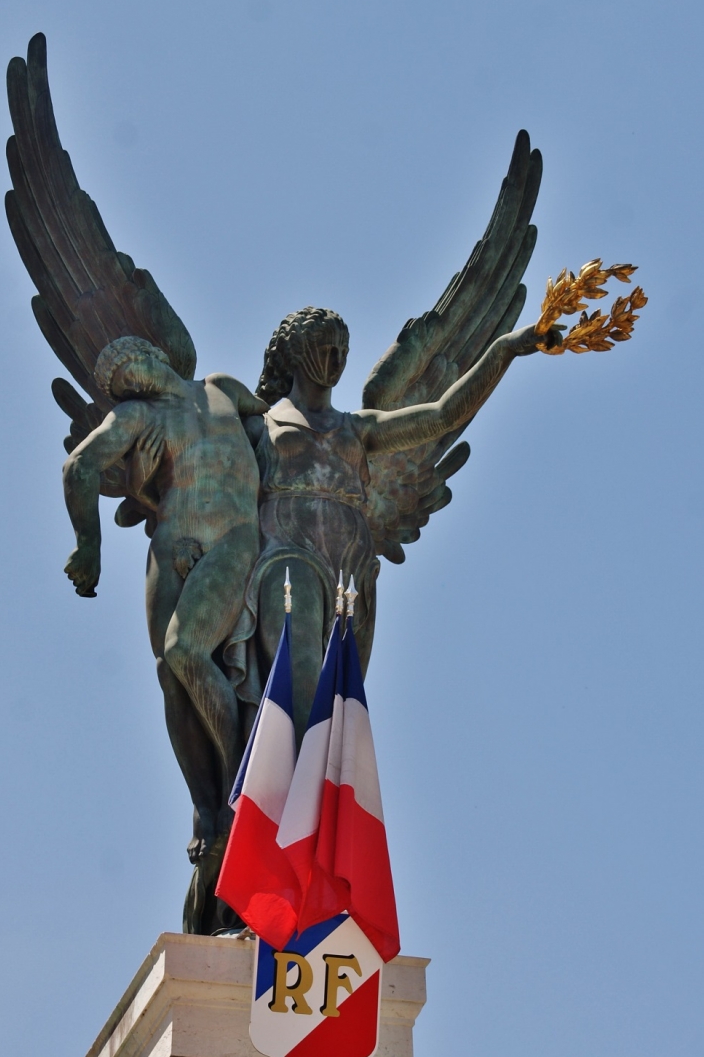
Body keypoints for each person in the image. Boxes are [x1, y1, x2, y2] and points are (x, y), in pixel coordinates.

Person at [233, 306, 554, 746]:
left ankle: (322, 799)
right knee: (302, 673)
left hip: (351, 567)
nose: (335, 359)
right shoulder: (257, 425)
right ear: (294, 352)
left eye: (342, 349)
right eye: (322, 348)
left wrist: (503, 351)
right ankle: (293, 795)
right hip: (286, 551)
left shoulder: (358, 428)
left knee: (339, 702)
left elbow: (442, 415)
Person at [62, 335, 266, 863]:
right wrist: (91, 545)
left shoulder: (222, 389)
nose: (130, 382)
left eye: (130, 368)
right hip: (173, 542)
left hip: (233, 538)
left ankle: (244, 783)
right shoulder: (136, 417)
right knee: (169, 677)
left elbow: (277, 429)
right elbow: (78, 467)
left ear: (154, 357)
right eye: (120, 383)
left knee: (184, 651)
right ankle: (207, 806)